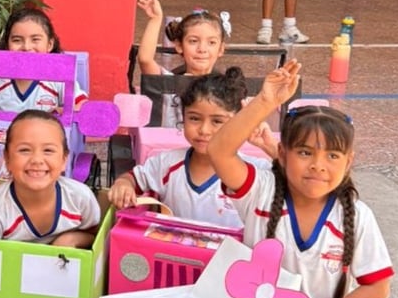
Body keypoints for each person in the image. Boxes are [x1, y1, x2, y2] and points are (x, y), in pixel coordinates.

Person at [208, 60, 393, 298]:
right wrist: (266, 101)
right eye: (305, 152)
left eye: (333, 155)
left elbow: (377, 288)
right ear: (282, 154)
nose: (318, 165)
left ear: (349, 162)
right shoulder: (261, 191)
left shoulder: (357, 216)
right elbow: (219, 150)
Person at [109, 68, 275, 229]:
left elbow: (289, 186)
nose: (204, 130)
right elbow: (134, 178)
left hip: (235, 249)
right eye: (194, 118)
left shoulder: (255, 171)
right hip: (173, 248)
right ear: (183, 117)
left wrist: (271, 148)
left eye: (217, 121)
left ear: (238, 122)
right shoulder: (166, 164)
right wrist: (123, 184)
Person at [0, 110, 100, 247]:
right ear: (7, 158)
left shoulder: (80, 198)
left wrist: (69, 241)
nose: (37, 160)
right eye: (24, 150)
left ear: (64, 160)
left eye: (48, 150)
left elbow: (95, 236)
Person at [0, 7, 88, 113]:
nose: (26, 47)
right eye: (17, 40)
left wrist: (64, 111)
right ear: (7, 45)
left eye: (35, 39)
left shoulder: (59, 75)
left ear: (49, 44)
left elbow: (83, 104)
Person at [135, 0, 231, 126]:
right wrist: (156, 19)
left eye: (211, 42)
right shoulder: (168, 83)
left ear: (221, 49)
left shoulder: (229, 88)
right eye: (193, 41)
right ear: (179, 46)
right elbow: (145, 59)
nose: (202, 49)